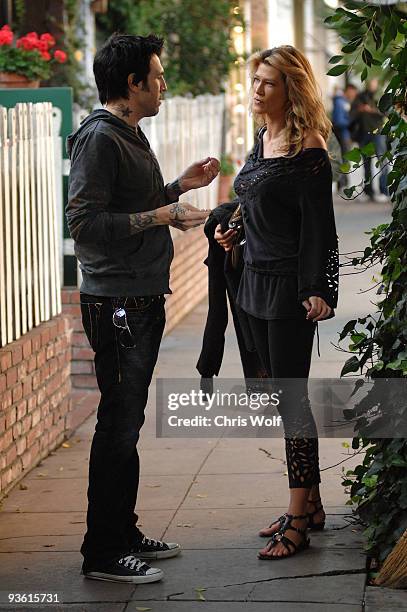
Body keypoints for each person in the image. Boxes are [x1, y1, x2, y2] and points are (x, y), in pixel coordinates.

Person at [66, 33, 219, 583]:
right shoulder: (100, 140)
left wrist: (179, 188)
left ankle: (122, 531)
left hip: (139, 295)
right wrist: (161, 217)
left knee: (127, 422)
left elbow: (135, 205)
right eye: (156, 76)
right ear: (131, 84)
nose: (163, 84)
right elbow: (83, 224)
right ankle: (103, 552)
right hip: (117, 302)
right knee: (118, 425)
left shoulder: (130, 134)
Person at [215, 46, 339, 560]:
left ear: (292, 89)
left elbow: (319, 228)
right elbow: (253, 200)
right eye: (257, 80)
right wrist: (231, 228)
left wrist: (319, 288)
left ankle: (298, 521)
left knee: (293, 404)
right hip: (253, 285)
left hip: (289, 289)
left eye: (269, 82)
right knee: (277, 398)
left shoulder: (307, 147)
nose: (258, 90)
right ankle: (309, 505)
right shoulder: (262, 141)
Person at [350, 78, 389, 202]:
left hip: (378, 133)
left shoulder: (380, 96)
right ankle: (369, 191)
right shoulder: (360, 97)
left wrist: (370, 110)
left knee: (382, 161)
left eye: (374, 82)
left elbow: (386, 113)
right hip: (363, 133)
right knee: (366, 163)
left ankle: (384, 191)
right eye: (370, 82)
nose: (372, 84)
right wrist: (360, 110)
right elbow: (352, 113)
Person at [332, 83, 358, 190]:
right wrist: (351, 122)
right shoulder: (340, 102)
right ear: (349, 90)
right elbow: (338, 121)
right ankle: (342, 184)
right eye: (353, 92)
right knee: (343, 159)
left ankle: (343, 183)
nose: (354, 95)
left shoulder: (344, 102)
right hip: (342, 134)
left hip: (345, 134)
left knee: (344, 158)